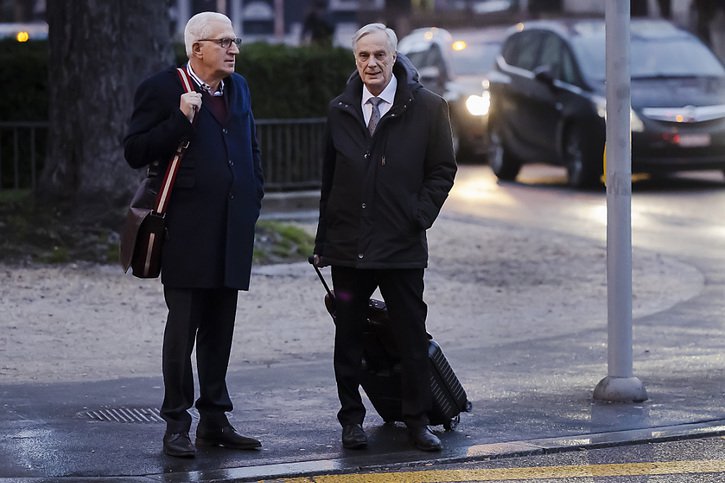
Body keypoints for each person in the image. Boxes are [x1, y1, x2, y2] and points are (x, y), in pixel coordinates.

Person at [123, 11, 264, 458]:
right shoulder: (164, 88)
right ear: (197, 48)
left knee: (222, 328)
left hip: (232, 228)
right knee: (182, 331)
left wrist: (254, 195)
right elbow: (135, 151)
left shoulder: (237, 88)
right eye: (225, 42)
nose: (234, 49)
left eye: (235, 41)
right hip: (185, 230)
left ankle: (215, 419)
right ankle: (176, 423)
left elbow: (250, 147)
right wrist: (180, 121)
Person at [312, 23, 457, 452]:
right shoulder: (340, 108)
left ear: (394, 58)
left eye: (379, 55)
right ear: (355, 60)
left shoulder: (429, 108)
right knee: (349, 337)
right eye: (363, 56)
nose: (371, 63)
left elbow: (442, 170)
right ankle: (351, 421)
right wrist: (323, 242)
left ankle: (416, 421)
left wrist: (420, 216)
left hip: (401, 246)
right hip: (349, 249)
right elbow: (330, 179)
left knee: (412, 336)